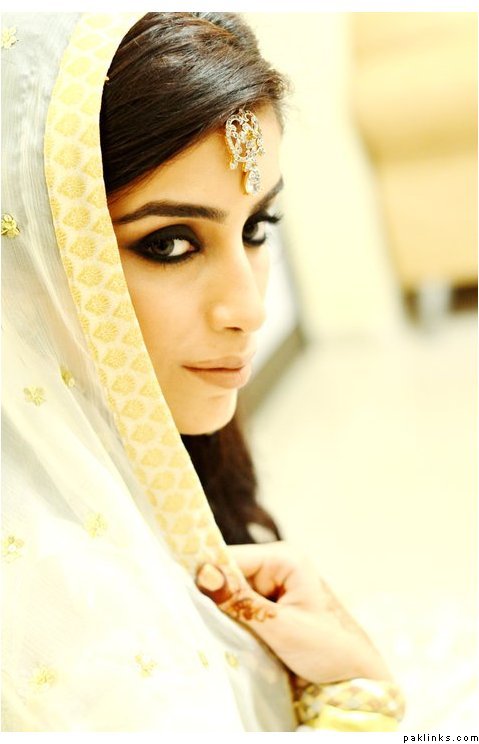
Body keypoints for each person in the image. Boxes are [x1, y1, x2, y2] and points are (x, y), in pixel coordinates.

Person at [1, 12, 405, 732]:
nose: (248, 308)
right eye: (169, 244)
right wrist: (361, 695)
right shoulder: (63, 603)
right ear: (23, 260)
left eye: (255, 228)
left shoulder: (120, 473)